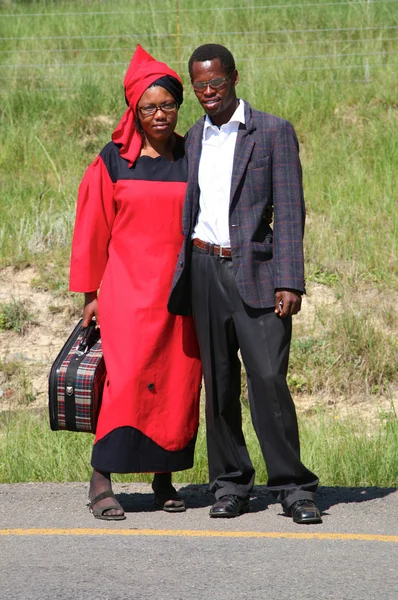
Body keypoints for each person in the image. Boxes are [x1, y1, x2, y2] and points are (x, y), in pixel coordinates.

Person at [168, 43, 322, 524]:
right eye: (199, 86)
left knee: (269, 380)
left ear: (235, 78)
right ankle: (231, 484)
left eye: (216, 83)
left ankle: (293, 486)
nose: (208, 93)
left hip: (257, 271)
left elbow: (291, 210)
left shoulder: (272, 132)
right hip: (204, 270)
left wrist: (290, 280)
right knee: (217, 384)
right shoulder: (193, 137)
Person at [70, 45, 202, 520]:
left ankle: (163, 479)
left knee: (177, 383)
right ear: (135, 110)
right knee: (123, 383)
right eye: (150, 106)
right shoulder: (113, 160)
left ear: (178, 106)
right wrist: (91, 295)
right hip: (126, 293)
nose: (160, 114)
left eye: (167, 104)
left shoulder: (194, 155)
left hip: (182, 292)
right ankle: (101, 480)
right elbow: (92, 229)